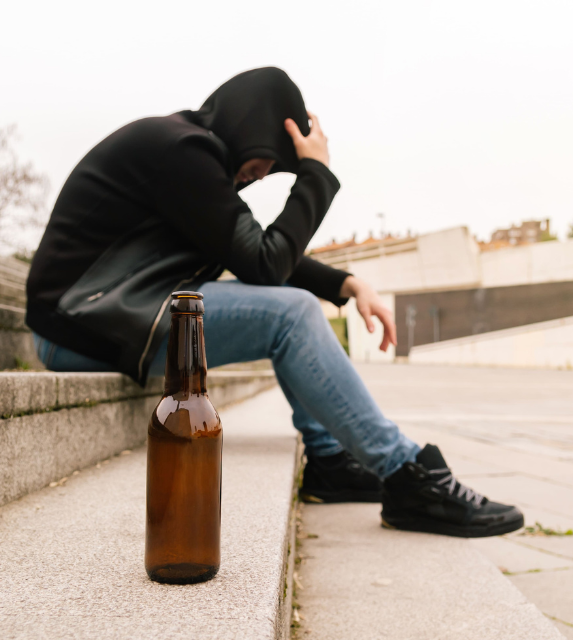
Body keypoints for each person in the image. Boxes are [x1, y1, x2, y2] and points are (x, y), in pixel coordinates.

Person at [26, 67, 523, 538]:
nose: (262, 176)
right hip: (80, 325)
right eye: (269, 162)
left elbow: (250, 251)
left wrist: (348, 284)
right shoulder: (180, 150)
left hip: (106, 316)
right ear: (253, 128)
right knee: (291, 312)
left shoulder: (185, 152)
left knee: (290, 302)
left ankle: (329, 462)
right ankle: (407, 476)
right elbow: (263, 263)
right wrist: (315, 174)